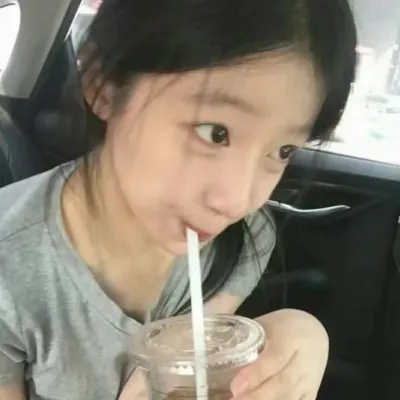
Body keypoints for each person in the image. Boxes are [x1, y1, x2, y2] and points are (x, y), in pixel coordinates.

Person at [0, 0, 357, 399]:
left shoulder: (246, 238)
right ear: (103, 85)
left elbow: (186, 367)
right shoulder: (9, 273)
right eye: (215, 132)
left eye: (283, 150)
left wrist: (300, 335)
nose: (237, 202)